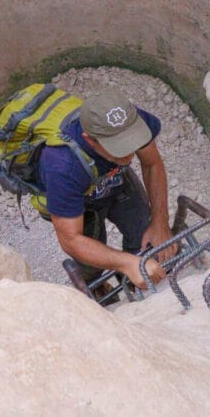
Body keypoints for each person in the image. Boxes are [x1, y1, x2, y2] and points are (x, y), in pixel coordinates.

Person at [37, 88, 178, 290]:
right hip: (80, 202)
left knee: (144, 236)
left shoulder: (129, 123)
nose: (130, 155)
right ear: (89, 139)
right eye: (119, 148)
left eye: (132, 143)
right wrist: (126, 263)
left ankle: (134, 284)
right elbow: (71, 240)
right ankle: (98, 288)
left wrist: (160, 222)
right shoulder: (61, 166)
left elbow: (152, 164)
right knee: (90, 263)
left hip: (114, 179)